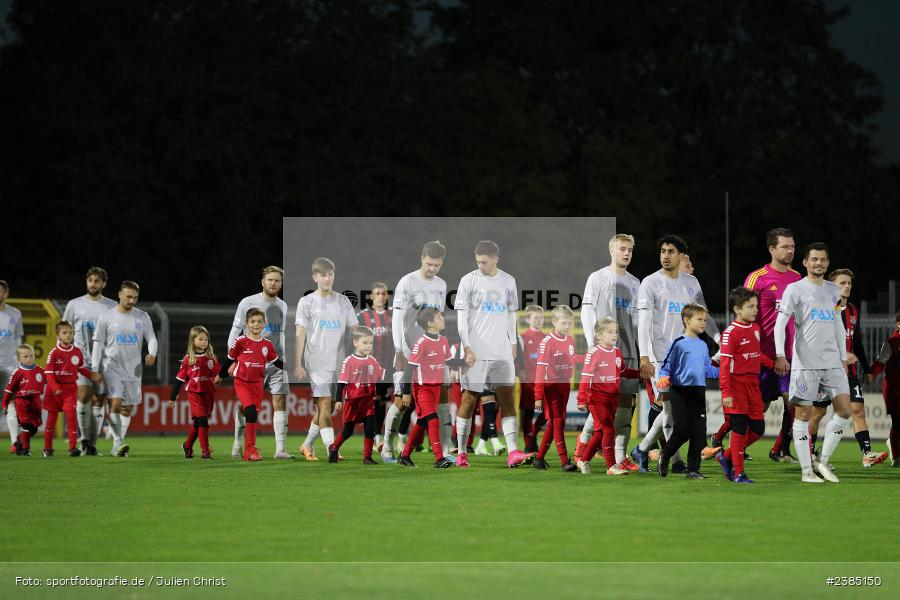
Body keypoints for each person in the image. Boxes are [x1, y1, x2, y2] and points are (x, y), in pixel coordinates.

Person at [630, 235, 719, 472]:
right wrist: (645, 357)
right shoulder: (650, 283)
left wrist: (720, 339)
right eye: (662, 251)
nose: (666, 256)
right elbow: (644, 323)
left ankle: (646, 451)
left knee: (672, 409)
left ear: (681, 256)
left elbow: (705, 317)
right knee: (668, 406)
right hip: (661, 356)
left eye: (671, 251)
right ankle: (671, 458)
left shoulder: (691, 283)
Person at [715, 229, 801, 462]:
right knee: (757, 409)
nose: (791, 250)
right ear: (772, 249)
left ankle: (781, 449)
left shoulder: (796, 278)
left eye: (792, 246)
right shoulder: (757, 278)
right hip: (761, 356)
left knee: (793, 403)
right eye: (785, 246)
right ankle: (719, 438)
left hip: (788, 355)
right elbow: (742, 315)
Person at [774, 242, 850, 483]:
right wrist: (779, 354)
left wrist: (842, 356)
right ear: (805, 263)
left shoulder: (833, 291)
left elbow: (838, 323)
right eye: (814, 259)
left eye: (823, 260)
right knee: (803, 415)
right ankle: (807, 471)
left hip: (832, 363)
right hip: (806, 363)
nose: (819, 263)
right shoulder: (794, 290)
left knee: (845, 410)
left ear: (828, 263)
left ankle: (823, 461)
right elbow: (780, 324)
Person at [454, 240, 534, 468]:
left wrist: (512, 340)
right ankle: (461, 453)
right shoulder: (468, 281)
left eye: (485, 262)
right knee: (469, 399)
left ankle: (513, 452)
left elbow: (511, 314)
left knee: (507, 399)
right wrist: (467, 346)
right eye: (478, 261)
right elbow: (461, 318)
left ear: (496, 259)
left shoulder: (508, 281)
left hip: (502, 352)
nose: (480, 265)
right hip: (476, 352)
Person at [806, 269, 887, 468]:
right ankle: (809, 454)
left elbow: (857, 341)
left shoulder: (852, 310)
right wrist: (842, 355)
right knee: (817, 414)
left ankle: (867, 454)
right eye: (843, 283)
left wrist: (867, 369)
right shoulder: (823, 310)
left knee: (857, 410)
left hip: (848, 374)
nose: (847, 286)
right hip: (825, 372)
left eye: (849, 283)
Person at [576, 234, 641, 469]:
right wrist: (593, 343)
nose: (626, 253)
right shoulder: (598, 277)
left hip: (627, 350)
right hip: (603, 349)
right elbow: (587, 310)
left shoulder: (635, 283)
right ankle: (582, 448)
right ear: (611, 251)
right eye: (622, 249)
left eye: (630, 250)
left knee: (625, 404)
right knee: (601, 405)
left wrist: (640, 348)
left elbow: (636, 319)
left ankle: (620, 457)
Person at [384, 241, 450, 462]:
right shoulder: (408, 282)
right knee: (402, 402)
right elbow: (398, 319)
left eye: (437, 265)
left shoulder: (441, 285)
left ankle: (446, 450)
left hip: (431, 355)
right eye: (430, 263)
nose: (432, 269)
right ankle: (387, 448)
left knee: (440, 399)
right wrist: (399, 350)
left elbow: (437, 319)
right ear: (422, 258)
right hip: (408, 350)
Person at [295, 257, 359, 460]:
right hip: (316, 363)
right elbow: (300, 333)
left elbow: (355, 330)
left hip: (339, 363)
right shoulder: (306, 302)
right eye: (323, 274)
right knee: (324, 405)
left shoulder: (343, 301)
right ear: (315, 277)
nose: (327, 278)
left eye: (330, 274)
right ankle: (332, 449)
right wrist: (297, 364)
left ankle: (306, 445)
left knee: (329, 408)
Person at [228, 266, 291, 460]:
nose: (273, 283)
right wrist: (233, 358)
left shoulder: (283, 305)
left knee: (280, 401)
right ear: (262, 281)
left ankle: (279, 449)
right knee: (244, 406)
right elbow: (236, 329)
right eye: (270, 280)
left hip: (276, 361)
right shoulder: (248, 302)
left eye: (277, 281)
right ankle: (239, 441)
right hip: (250, 363)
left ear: (281, 284)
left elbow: (280, 334)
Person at [90, 281, 157, 458]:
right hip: (111, 367)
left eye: (135, 297)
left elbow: (151, 338)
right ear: (119, 294)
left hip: (133, 370)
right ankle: (117, 443)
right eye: (128, 296)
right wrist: (95, 368)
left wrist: (152, 353)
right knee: (116, 402)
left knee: (127, 409)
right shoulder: (106, 316)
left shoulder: (142, 317)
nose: (132, 301)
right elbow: (98, 343)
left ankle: (116, 442)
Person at [713, 288, 773, 484]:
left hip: (753, 386)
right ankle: (739, 473)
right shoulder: (730, 333)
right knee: (739, 429)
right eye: (750, 306)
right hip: (736, 385)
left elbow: (757, 354)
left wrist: (774, 364)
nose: (755, 310)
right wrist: (726, 392)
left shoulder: (755, 329)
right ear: (737, 309)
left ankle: (727, 455)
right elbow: (724, 366)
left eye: (756, 306)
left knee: (758, 429)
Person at [655, 304, 720, 479]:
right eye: (699, 319)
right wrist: (663, 377)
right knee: (683, 430)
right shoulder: (678, 344)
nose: (703, 323)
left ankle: (693, 470)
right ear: (686, 320)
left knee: (699, 432)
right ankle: (665, 454)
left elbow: (707, 370)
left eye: (705, 320)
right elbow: (665, 367)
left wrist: (726, 371)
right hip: (679, 391)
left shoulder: (703, 345)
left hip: (698, 391)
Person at [62, 267, 117, 457]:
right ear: (86, 282)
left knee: (98, 401)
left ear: (104, 284)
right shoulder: (74, 305)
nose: (93, 284)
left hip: (103, 362)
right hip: (81, 361)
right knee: (83, 396)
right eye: (90, 280)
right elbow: (64, 331)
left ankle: (92, 445)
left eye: (97, 281)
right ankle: (84, 439)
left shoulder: (111, 306)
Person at [575, 318, 640, 475]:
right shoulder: (594, 353)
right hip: (596, 398)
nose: (614, 335)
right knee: (609, 429)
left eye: (616, 332)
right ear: (599, 335)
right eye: (610, 332)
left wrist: (640, 374)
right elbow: (585, 377)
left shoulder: (617, 353)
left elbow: (623, 372)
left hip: (612, 399)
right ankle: (611, 466)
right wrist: (581, 399)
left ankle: (583, 460)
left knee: (600, 433)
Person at [396, 308, 459, 468]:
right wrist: (406, 393)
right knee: (433, 419)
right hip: (422, 389)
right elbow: (408, 371)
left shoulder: (443, 341)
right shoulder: (421, 343)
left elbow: (451, 362)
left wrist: (466, 362)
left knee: (422, 421)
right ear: (430, 323)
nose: (443, 318)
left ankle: (404, 455)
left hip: (436, 389)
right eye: (440, 317)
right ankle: (439, 458)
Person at [221, 309, 283, 461]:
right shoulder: (240, 341)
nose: (256, 324)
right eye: (253, 321)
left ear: (265, 324)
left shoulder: (267, 345)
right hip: (242, 382)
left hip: (257, 384)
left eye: (259, 321)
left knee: (248, 412)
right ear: (247, 324)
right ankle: (250, 450)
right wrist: (220, 375)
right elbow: (229, 360)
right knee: (251, 412)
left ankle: (241, 441)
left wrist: (295, 369)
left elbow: (277, 363)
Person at [532, 305, 582, 472]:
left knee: (555, 424)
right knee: (558, 421)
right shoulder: (547, 342)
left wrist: (589, 357)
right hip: (551, 386)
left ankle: (539, 458)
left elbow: (572, 358)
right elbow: (540, 370)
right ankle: (564, 460)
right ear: (554, 322)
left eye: (569, 323)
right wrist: (538, 395)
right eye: (564, 323)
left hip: (564, 385)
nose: (567, 326)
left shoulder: (570, 340)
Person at [329, 326, 385, 465]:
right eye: (365, 343)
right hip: (353, 403)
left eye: (370, 343)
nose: (368, 346)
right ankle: (334, 448)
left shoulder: (372, 360)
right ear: (355, 343)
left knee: (370, 429)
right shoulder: (349, 361)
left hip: (367, 402)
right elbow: (341, 383)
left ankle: (367, 457)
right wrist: (338, 399)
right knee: (348, 431)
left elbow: (382, 376)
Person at [169, 326, 220, 459]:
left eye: (206, 339)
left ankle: (187, 445)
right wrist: (172, 397)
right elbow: (179, 380)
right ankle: (205, 451)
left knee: (198, 423)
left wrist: (228, 371)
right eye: (200, 339)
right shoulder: (188, 360)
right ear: (193, 341)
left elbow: (218, 374)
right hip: (194, 393)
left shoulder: (211, 358)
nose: (204, 342)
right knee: (203, 422)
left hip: (208, 393)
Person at [43, 321, 92, 457]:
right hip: (54, 392)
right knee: (51, 421)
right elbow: (49, 373)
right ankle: (47, 448)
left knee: (71, 418)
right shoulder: (53, 353)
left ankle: (72, 448)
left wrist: (92, 375)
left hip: (70, 390)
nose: (68, 335)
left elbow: (81, 368)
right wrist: (54, 387)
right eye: (64, 333)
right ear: (58, 335)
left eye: (70, 332)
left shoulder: (77, 352)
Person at [357, 282, 394, 453]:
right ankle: (372, 438)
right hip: (369, 368)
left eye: (384, 293)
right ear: (371, 296)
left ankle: (378, 437)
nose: (380, 296)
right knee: (370, 403)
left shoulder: (393, 315)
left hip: (388, 367)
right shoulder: (363, 316)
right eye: (377, 293)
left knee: (381, 404)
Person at [2, 345, 44, 456]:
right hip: (22, 402)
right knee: (26, 426)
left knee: (34, 428)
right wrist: (4, 404)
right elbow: (9, 390)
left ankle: (18, 443)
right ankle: (25, 449)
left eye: (31, 356)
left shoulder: (40, 371)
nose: (29, 358)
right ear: (18, 358)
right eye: (25, 356)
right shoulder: (17, 373)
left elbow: (49, 382)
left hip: (36, 402)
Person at [872, 312, 900, 467]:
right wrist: (871, 374)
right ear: (898, 325)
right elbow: (880, 361)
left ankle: (893, 443)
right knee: (897, 422)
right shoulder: (892, 342)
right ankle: (896, 457)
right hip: (893, 390)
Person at [517, 305, 546, 453]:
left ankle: (533, 434)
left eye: (541, 318)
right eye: (536, 317)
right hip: (528, 380)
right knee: (527, 412)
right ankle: (528, 444)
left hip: (543, 381)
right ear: (528, 319)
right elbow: (517, 359)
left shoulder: (546, 338)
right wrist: (519, 373)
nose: (539, 320)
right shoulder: (522, 338)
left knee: (547, 412)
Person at [0, 280, 24, 452]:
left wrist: (19, 361)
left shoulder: (15, 313)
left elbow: (18, 339)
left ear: (6, 293)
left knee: (12, 402)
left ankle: (15, 442)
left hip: (10, 365)